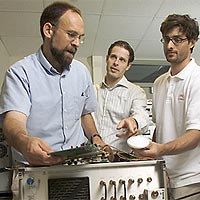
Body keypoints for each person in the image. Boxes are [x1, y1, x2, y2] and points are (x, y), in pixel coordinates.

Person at [0, 1, 108, 167]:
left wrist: (95, 137)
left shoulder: (82, 72)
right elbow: (13, 120)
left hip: (76, 167)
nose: (77, 43)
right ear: (48, 30)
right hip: (35, 170)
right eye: (71, 34)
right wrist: (25, 143)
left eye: (80, 37)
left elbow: (84, 113)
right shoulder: (20, 73)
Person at [120, 14, 200, 199]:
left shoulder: (196, 79)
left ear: (192, 42)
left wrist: (160, 149)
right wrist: (148, 149)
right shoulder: (159, 82)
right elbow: (160, 127)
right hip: (163, 176)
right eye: (166, 39)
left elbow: (195, 134)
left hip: (191, 180)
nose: (170, 45)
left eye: (177, 40)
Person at [93, 40, 149, 153]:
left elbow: (142, 116)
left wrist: (134, 121)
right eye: (113, 57)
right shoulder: (92, 90)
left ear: (128, 66)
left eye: (122, 60)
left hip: (119, 159)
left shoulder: (135, 92)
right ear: (107, 59)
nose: (116, 63)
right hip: (91, 159)